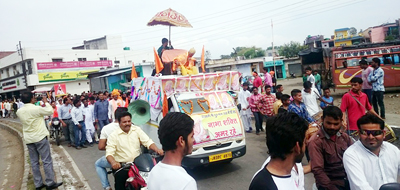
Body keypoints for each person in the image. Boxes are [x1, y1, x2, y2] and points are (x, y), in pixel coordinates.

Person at [249, 112, 309, 190]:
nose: (306, 145)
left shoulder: (289, 174)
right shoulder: (264, 185)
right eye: (304, 142)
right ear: (297, 147)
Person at [16, 92, 63, 190]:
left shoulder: (19, 111)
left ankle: (38, 184)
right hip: (40, 137)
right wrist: (45, 102)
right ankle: (50, 182)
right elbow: (50, 111)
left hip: (29, 139)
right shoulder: (36, 109)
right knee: (46, 161)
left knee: (34, 162)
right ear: (32, 99)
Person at [106, 111, 163, 190]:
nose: (127, 123)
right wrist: (113, 162)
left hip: (139, 165)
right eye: (124, 122)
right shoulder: (113, 136)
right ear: (119, 123)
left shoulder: (136, 130)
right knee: (120, 185)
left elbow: (147, 141)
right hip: (123, 167)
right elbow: (109, 153)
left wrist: (157, 150)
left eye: (129, 121)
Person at [343, 114, 400, 190]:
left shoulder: (392, 150)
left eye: (376, 133)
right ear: (359, 133)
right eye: (365, 132)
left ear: (384, 134)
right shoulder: (351, 155)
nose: (371, 137)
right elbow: (361, 187)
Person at [148, 112, 197, 190]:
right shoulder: (186, 182)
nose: (194, 140)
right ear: (181, 141)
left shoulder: (153, 172)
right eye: (192, 136)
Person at [308, 106, 352, 190]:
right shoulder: (315, 141)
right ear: (322, 119)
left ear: (341, 122)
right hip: (330, 184)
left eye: (336, 124)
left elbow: (355, 157)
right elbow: (318, 170)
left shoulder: (344, 137)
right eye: (329, 123)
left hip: (348, 179)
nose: (332, 127)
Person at [95, 107, 127, 190]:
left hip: (115, 158)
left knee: (98, 164)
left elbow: (101, 147)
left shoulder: (106, 128)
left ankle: (107, 186)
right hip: (131, 158)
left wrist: (111, 147)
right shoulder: (132, 126)